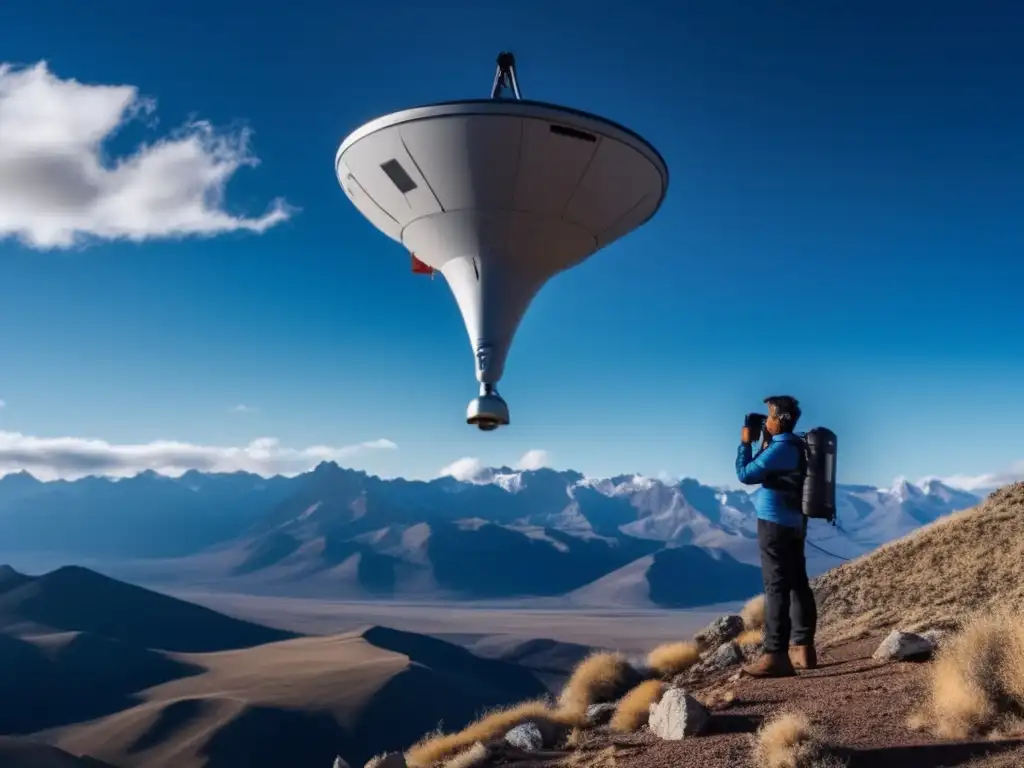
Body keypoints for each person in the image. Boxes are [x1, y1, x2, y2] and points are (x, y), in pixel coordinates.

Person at [735, 395, 818, 677]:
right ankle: (803, 649)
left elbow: (746, 474)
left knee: (776, 587)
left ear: (780, 420)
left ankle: (775, 655)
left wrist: (746, 442)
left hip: (775, 524)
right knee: (797, 583)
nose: (766, 421)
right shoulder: (796, 445)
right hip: (794, 523)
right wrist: (764, 442)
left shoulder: (783, 448)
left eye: (769, 417)